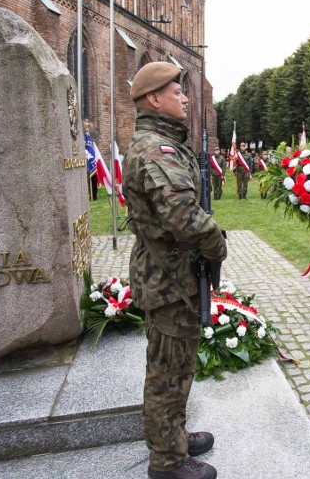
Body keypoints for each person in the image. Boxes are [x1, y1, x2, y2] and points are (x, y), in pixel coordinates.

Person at [122, 62, 227, 479]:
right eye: (176, 91)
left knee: (179, 367)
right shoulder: (155, 150)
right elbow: (183, 217)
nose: (184, 97)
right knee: (167, 375)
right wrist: (218, 243)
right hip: (168, 281)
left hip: (173, 276)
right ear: (153, 99)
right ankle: (167, 462)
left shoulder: (164, 143)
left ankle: (175, 436)